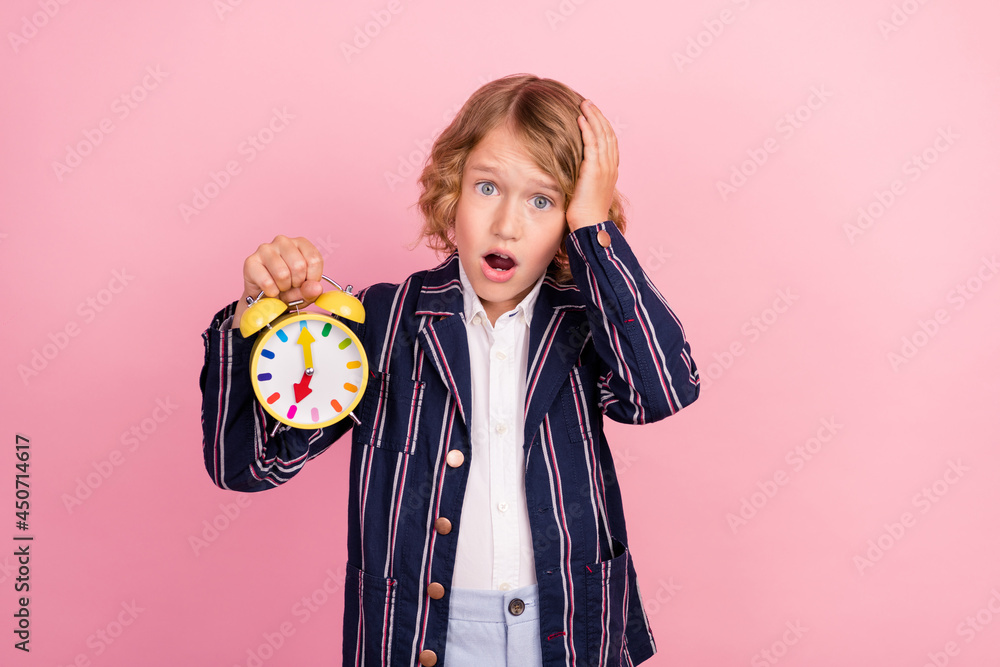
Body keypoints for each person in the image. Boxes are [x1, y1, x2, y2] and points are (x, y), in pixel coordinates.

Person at [199, 73, 700, 667]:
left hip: (569, 632)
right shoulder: (383, 322)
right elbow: (246, 464)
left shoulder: (587, 324)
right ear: (451, 192)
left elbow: (662, 389)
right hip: (419, 637)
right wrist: (257, 314)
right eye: (487, 187)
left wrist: (595, 229)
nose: (507, 224)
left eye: (542, 201)